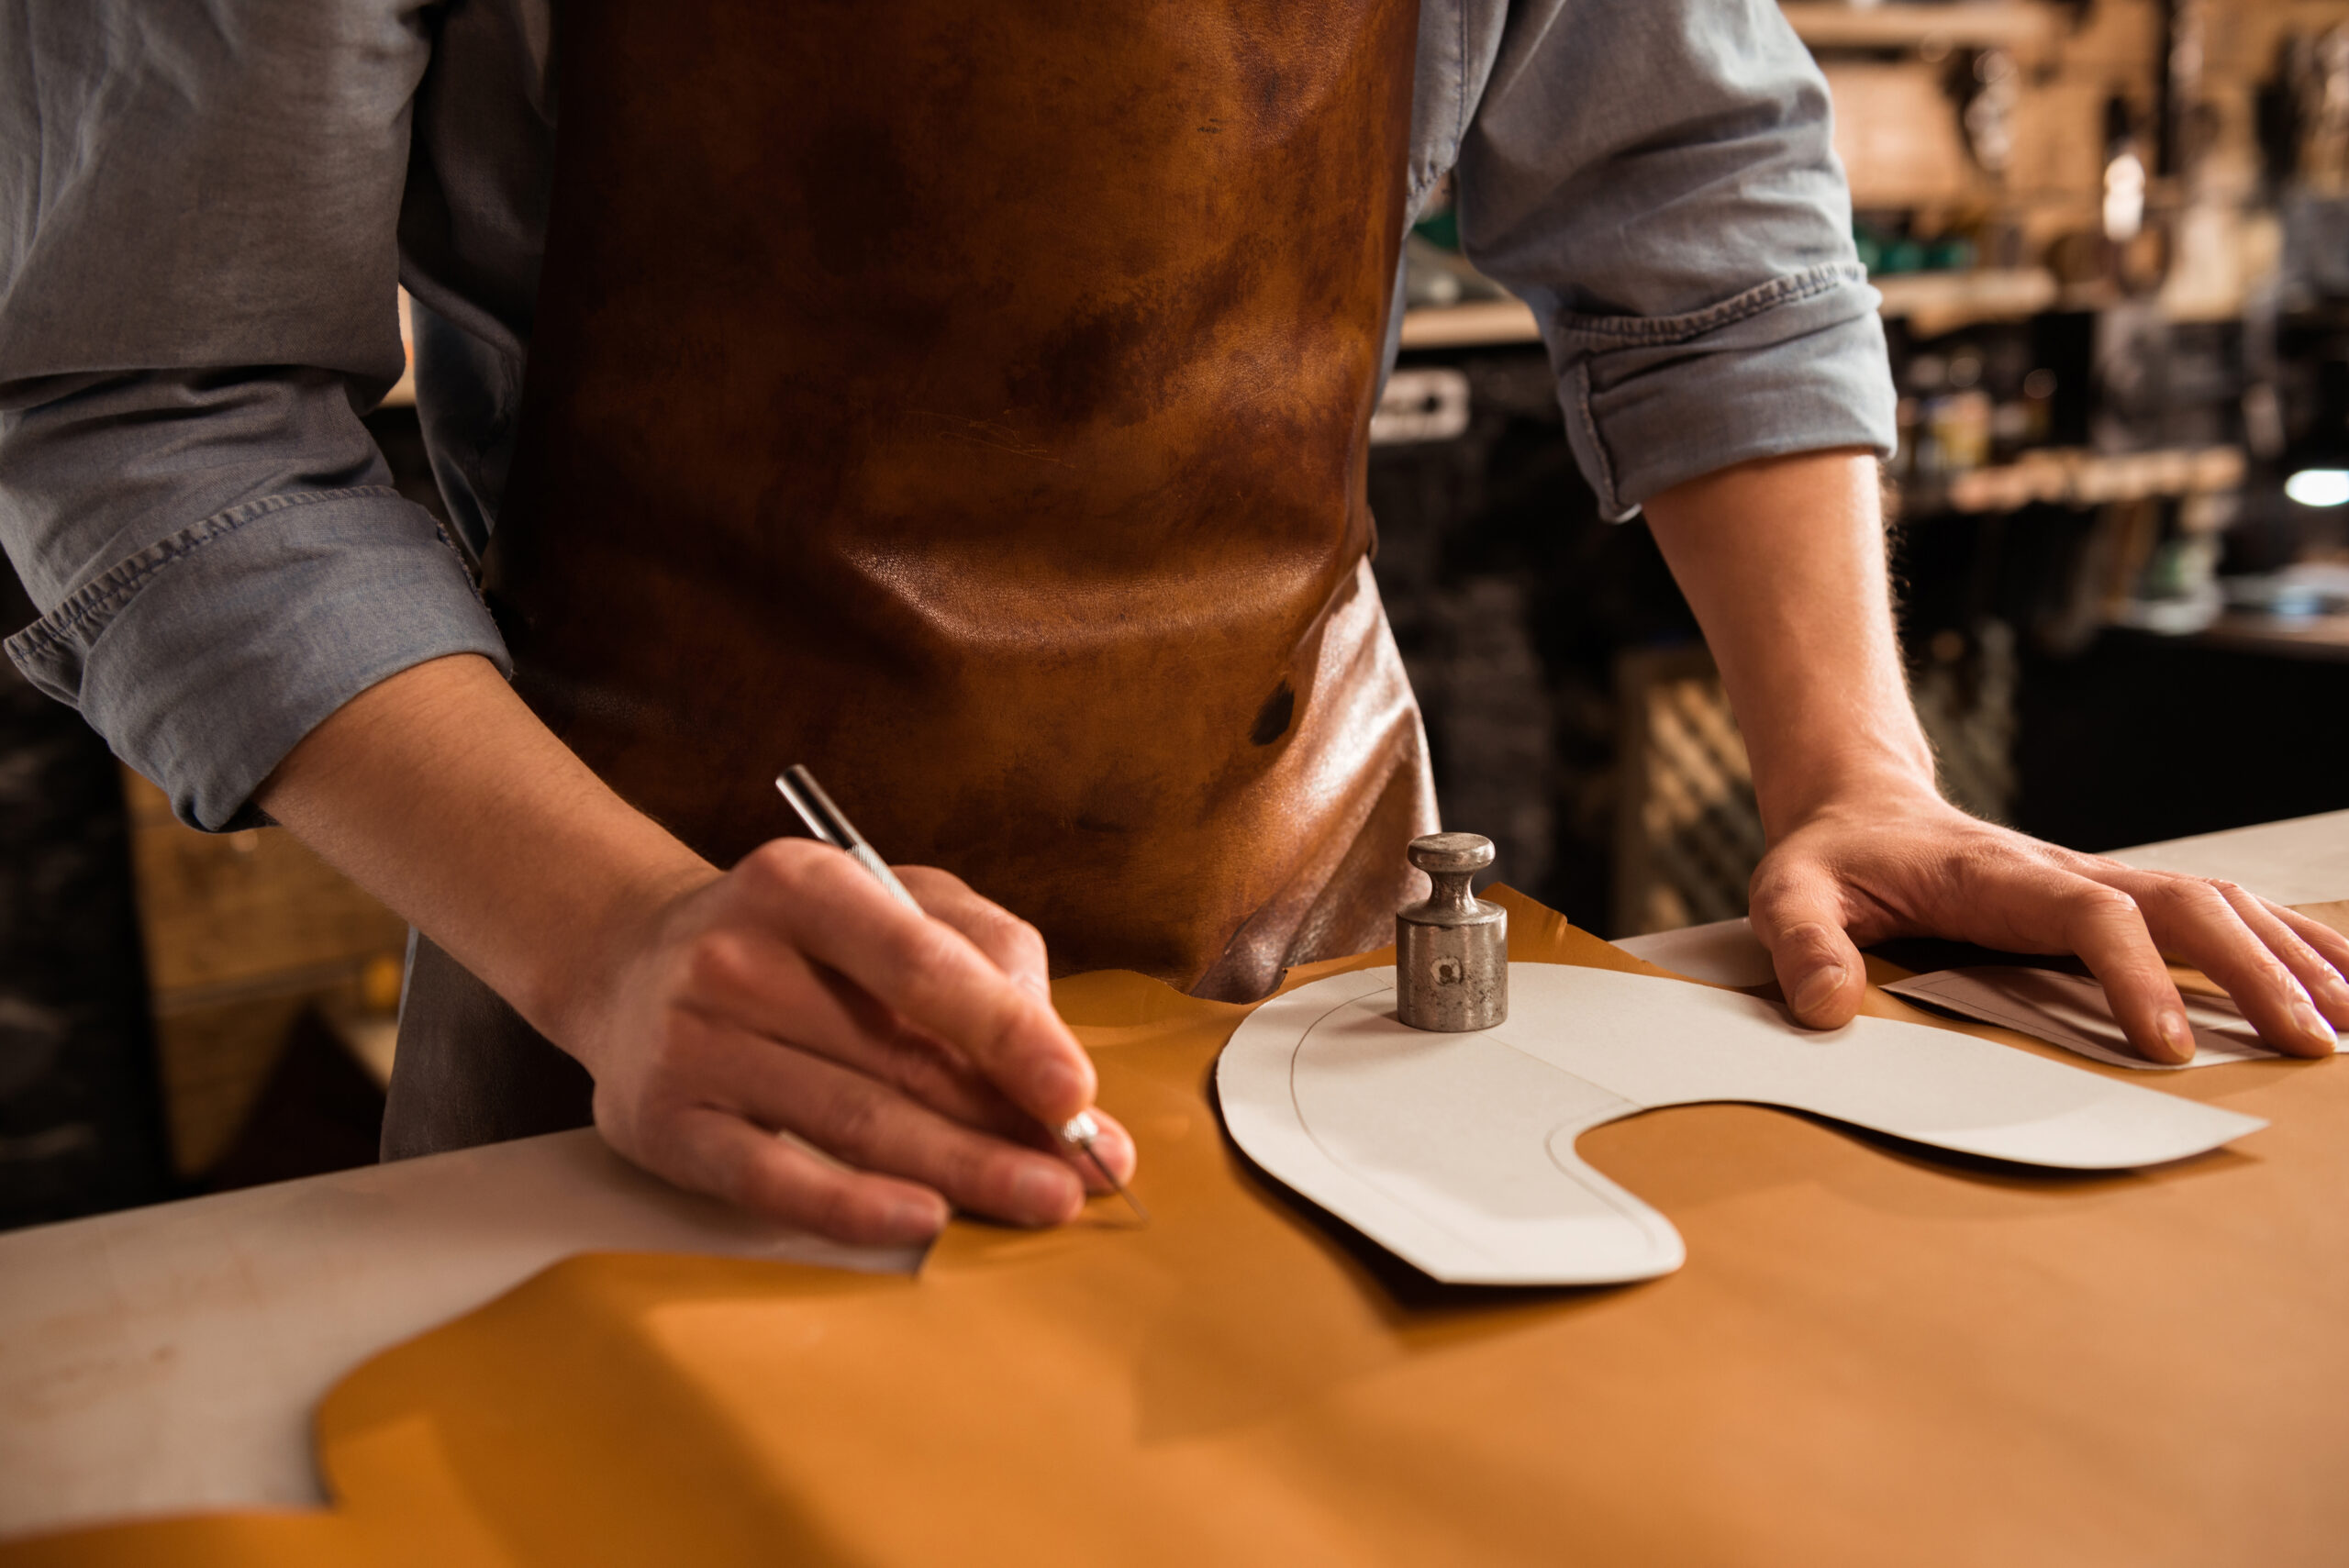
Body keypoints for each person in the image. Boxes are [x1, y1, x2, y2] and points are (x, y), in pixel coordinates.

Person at [5, 0, 2343, 1248]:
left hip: (1327, 949)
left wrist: (1856, 771)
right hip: (642, 1013)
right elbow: (139, 401)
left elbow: (1696, 187)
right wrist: (620, 941)